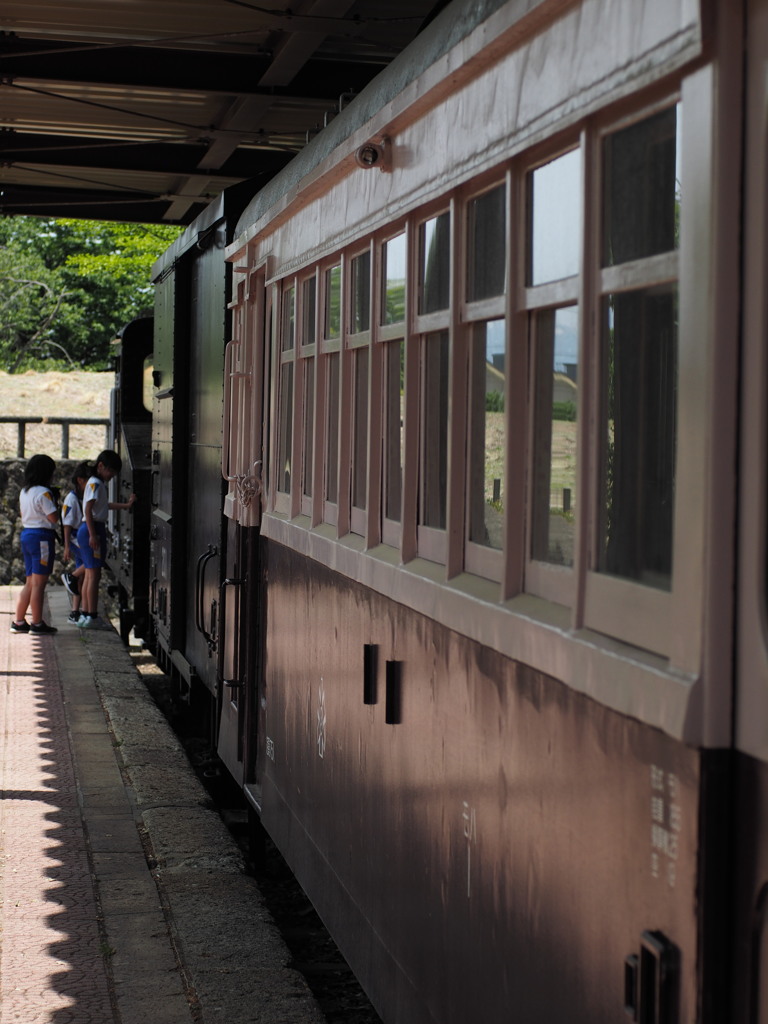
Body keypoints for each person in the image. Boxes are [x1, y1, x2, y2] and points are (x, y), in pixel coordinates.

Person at [75, 450, 136, 629]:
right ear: (100, 466)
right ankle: (91, 615)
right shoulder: (95, 483)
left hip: (90, 528)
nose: (112, 476)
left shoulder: (96, 483)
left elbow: (104, 506)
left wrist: (126, 505)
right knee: (94, 575)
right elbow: (88, 510)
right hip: (92, 528)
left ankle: (86, 614)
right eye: (111, 471)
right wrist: (94, 534)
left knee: (89, 574)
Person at [11, 454, 60, 635]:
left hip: (27, 534)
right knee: (40, 583)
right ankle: (37, 623)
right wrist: (56, 502)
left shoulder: (25, 491)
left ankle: (18, 621)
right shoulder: (44, 493)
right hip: (42, 537)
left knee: (30, 581)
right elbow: (53, 518)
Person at [61, 461, 91, 624]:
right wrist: (67, 546)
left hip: (80, 538)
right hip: (76, 539)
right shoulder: (71, 499)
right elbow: (67, 524)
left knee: (83, 576)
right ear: (80, 480)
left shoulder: (82, 497)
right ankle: (70, 576)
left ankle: (75, 612)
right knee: (93, 564)